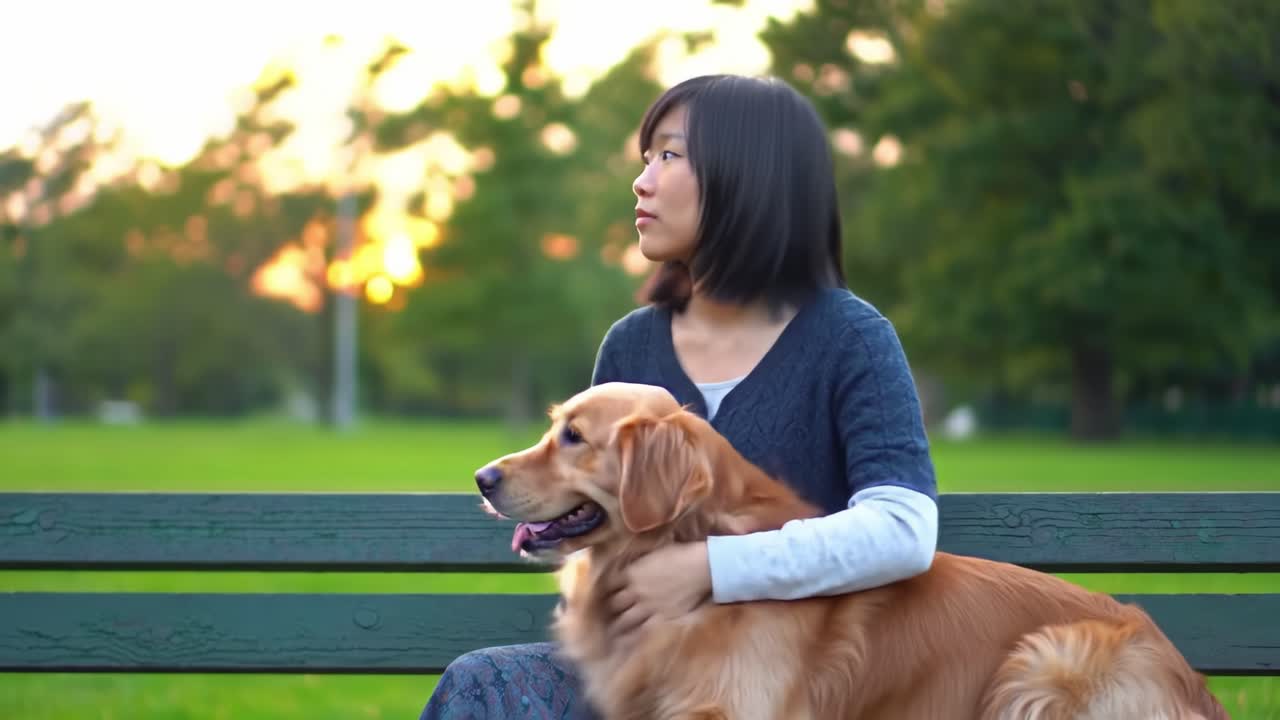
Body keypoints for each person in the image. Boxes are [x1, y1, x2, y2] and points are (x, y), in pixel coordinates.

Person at [420, 73, 938, 720]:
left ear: (748, 177)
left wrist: (714, 567)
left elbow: (904, 530)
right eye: (646, 160)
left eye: (669, 155)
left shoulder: (850, 339)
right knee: (482, 685)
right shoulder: (632, 346)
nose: (642, 182)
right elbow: (605, 528)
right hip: (645, 670)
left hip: (794, 681)